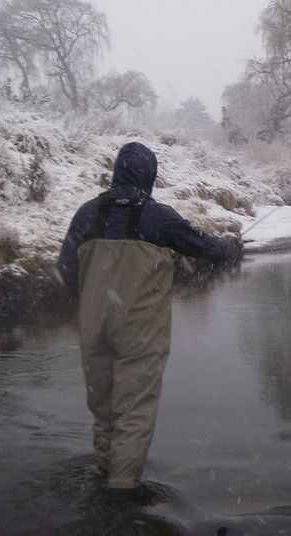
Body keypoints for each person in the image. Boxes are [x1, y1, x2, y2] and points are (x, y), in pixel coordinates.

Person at [56, 141, 242, 497]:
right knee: (133, 409)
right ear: (150, 176)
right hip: (140, 330)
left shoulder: (87, 214)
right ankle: (122, 496)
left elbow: (65, 270)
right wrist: (231, 248)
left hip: (94, 326)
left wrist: (91, 302)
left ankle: (104, 473)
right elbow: (207, 248)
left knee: (103, 406)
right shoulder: (158, 217)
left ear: (117, 173)